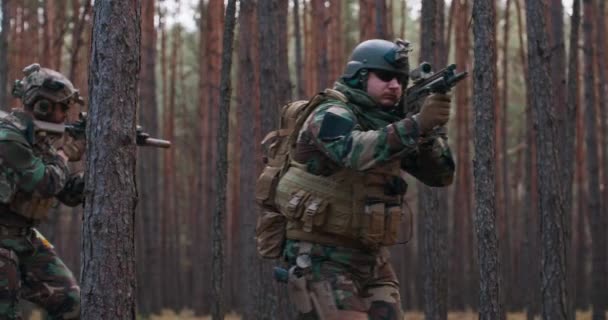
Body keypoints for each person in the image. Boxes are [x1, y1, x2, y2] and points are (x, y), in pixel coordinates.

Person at [274, 39, 455, 319]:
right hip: (321, 255)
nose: (395, 85)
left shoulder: (390, 123)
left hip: (372, 258)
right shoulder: (331, 112)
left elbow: (440, 175)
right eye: (385, 76)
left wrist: (431, 130)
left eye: (401, 80)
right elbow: (354, 152)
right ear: (360, 75)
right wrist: (416, 124)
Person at [0, 63, 86, 319]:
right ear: (42, 106)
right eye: (62, 108)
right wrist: (66, 154)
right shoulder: (9, 137)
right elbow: (45, 182)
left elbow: (65, 192)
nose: (65, 116)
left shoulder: (38, 138)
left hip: (22, 238)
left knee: (70, 302)